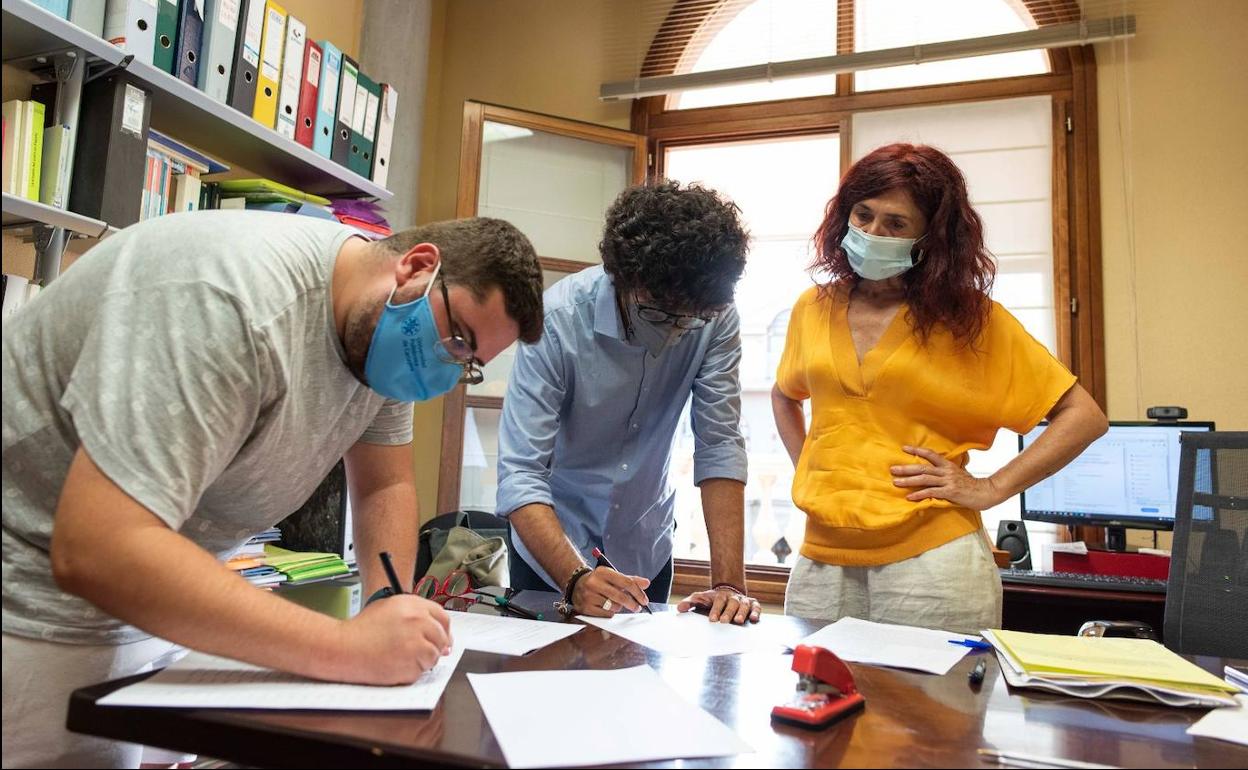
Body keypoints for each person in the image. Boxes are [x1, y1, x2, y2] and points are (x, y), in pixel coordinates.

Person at [1, 210, 544, 767]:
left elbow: (386, 483)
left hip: (164, 600)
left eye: (469, 363)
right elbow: (97, 548)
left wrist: (387, 603)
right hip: (31, 598)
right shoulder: (229, 301)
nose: (449, 367)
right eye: (458, 339)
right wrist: (348, 648)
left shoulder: (382, 334)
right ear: (416, 268)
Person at [772, 144, 1108, 634]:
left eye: (895, 223)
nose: (872, 232)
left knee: (931, 690)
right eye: (863, 215)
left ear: (931, 238)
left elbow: (1084, 417)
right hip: (820, 557)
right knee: (816, 685)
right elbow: (785, 394)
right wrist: (811, 466)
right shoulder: (812, 307)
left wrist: (991, 488)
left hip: (933, 561)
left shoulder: (972, 321)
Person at [496, 181, 763, 624]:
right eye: (658, 313)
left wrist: (729, 586)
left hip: (644, 544)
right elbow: (521, 472)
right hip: (552, 549)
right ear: (621, 280)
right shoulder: (558, 321)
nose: (675, 330)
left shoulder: (713, 316)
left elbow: (718, 444)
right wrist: (575, 578)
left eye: (689, 319)